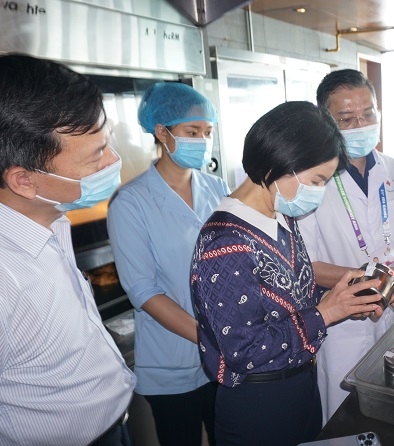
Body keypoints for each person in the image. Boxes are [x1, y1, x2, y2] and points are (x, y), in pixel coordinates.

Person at [190, 101, 389, 446]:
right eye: (316, 181)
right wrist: (325, 313)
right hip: (259, 405)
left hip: (300, 387)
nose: (319, 192)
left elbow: (290, 298)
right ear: (280, 162)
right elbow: (243, 350)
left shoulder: (281, 217)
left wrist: (343, 300)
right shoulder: (225, 242)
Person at [298, 69, 394, 422]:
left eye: (368, 114)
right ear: (326, 121)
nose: (361, 126)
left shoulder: (393, 169)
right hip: (343, 324)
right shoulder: (311, 179)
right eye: (347, 119)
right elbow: (306, 267)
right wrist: (375, 279)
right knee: (344, 418)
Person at [0, 54, 135, 445]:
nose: (113, 161)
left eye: (107, 144)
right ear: (24, 181)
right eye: (96, 156)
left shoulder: (50, 220)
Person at [107, 82, 230, 446]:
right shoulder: (131, 202)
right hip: (172, 364)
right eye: (192, 132)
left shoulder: (218, 188)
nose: (202, 140)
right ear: (162, 132)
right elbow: (144, 290)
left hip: (226, 356)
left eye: (207, 132)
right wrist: (209, 339)